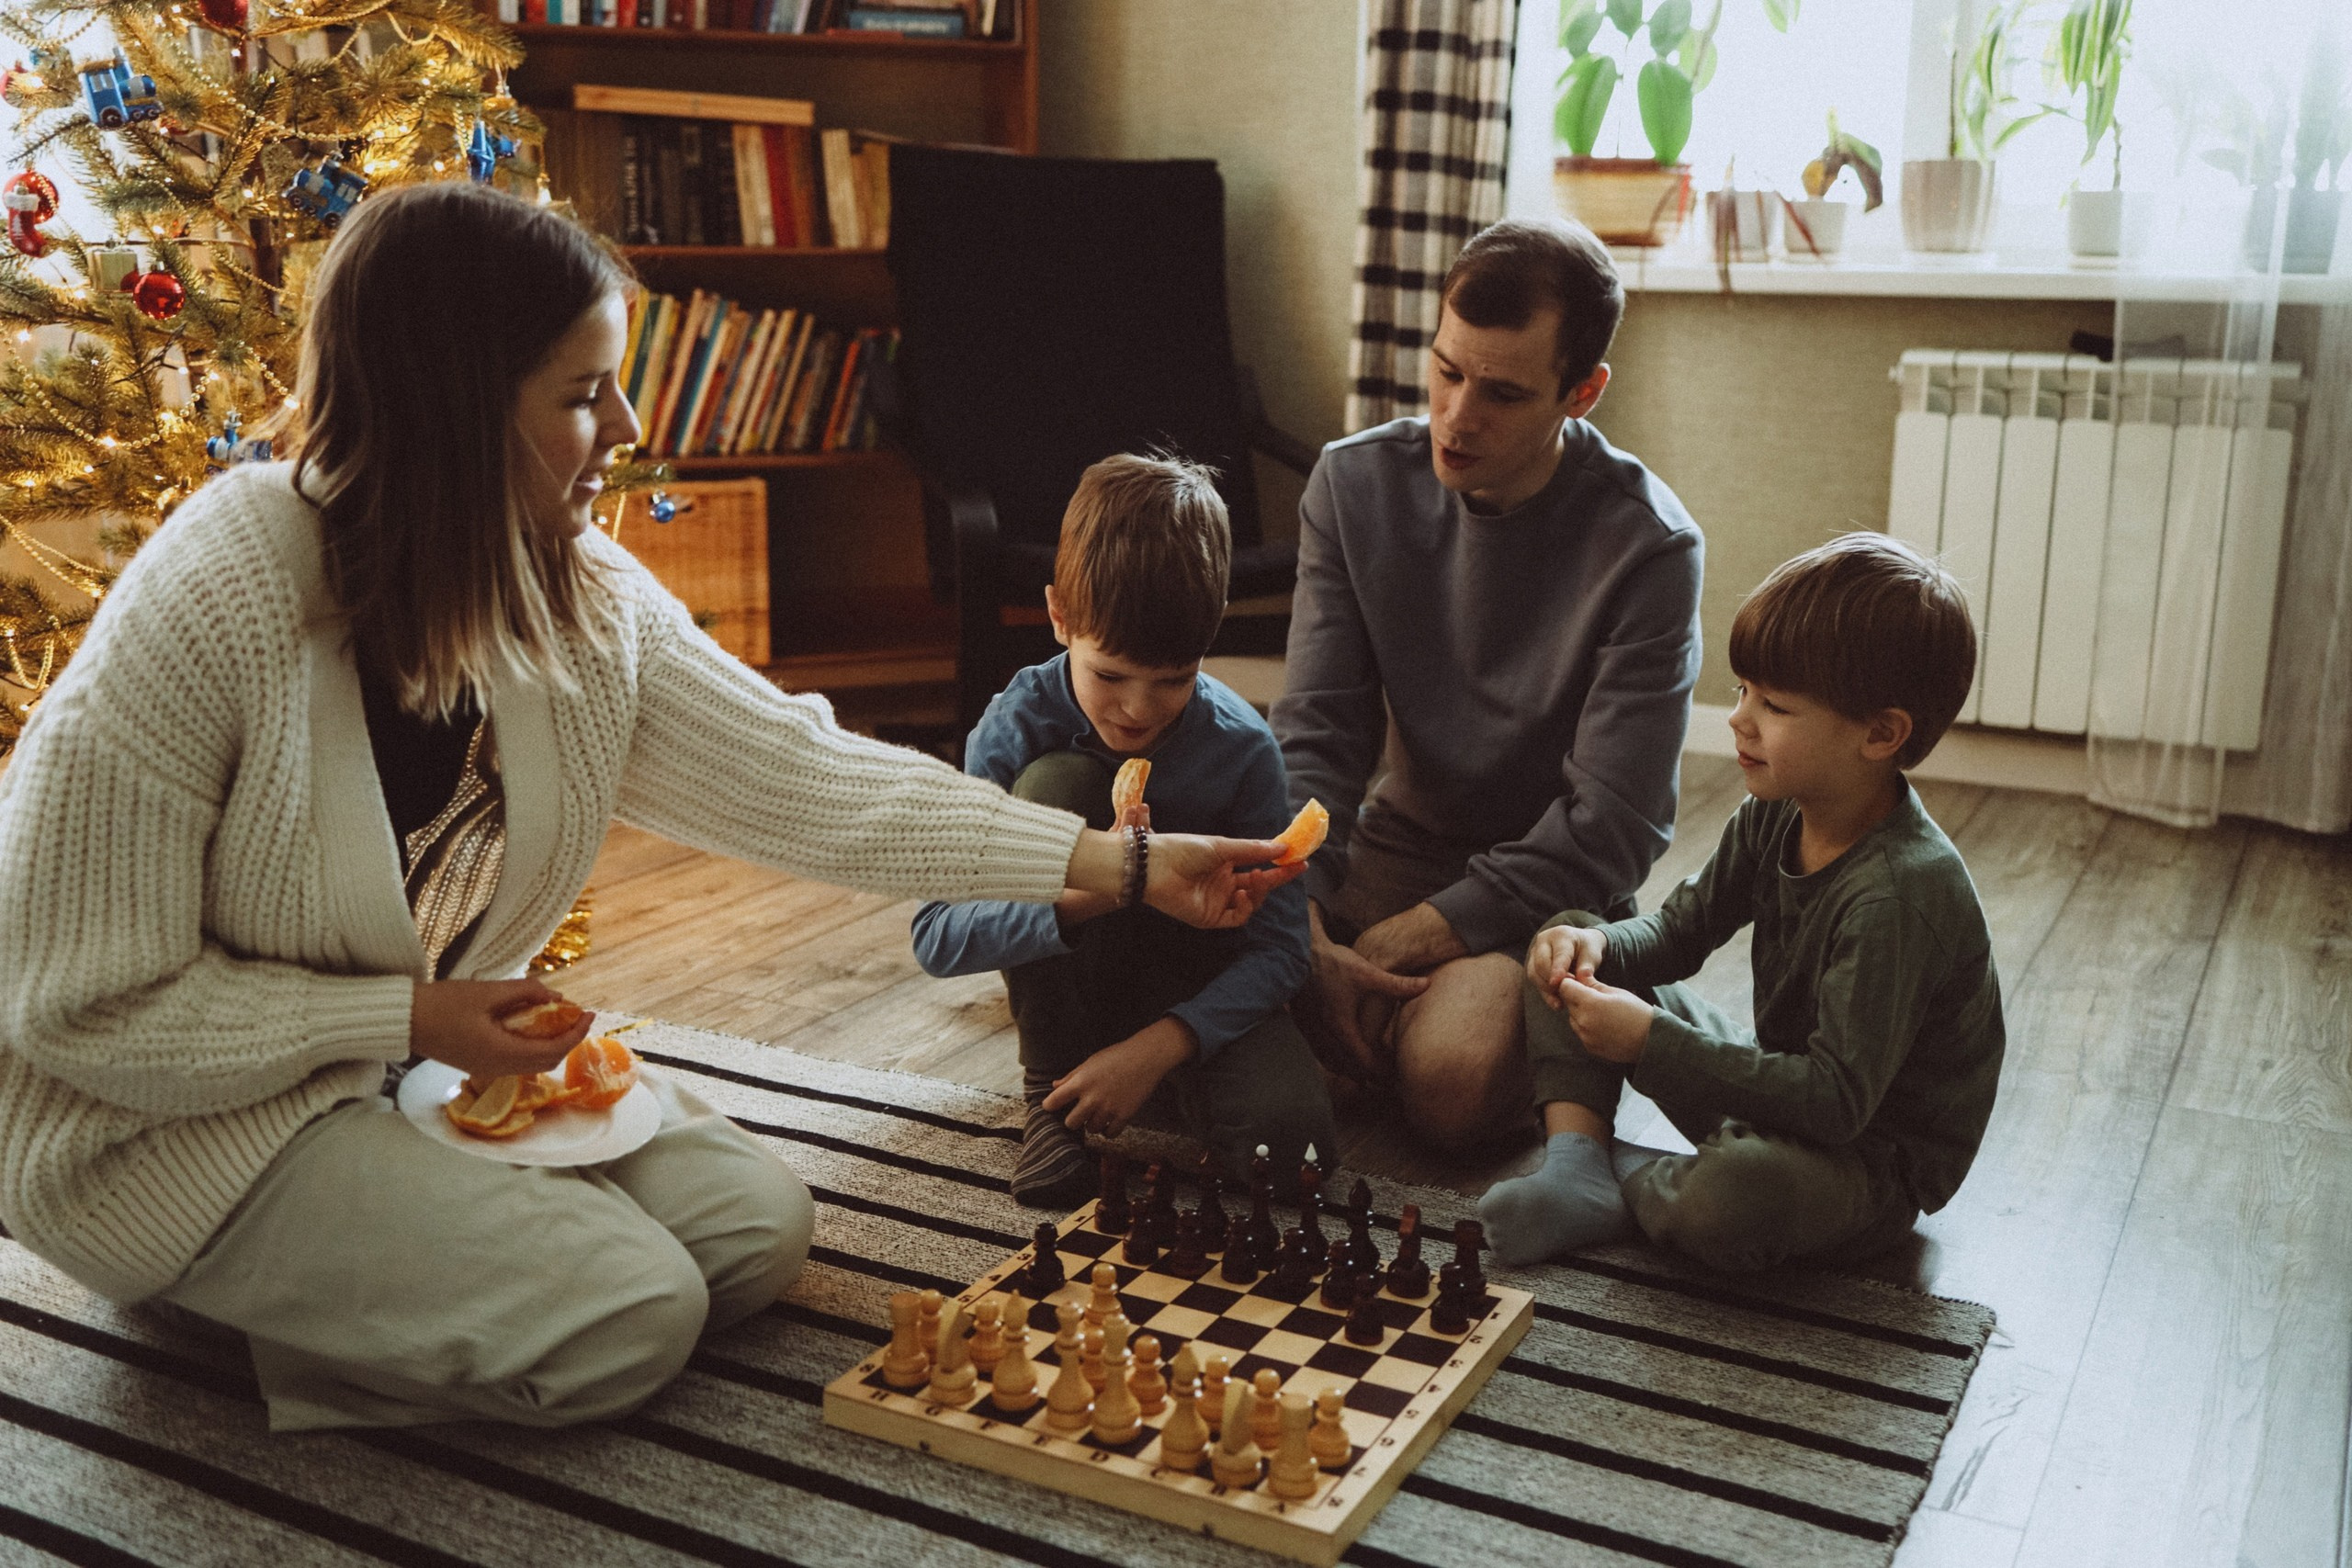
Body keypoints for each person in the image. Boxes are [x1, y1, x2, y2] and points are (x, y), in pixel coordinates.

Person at [0, 184, 1298, 1431]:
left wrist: (1114, 863)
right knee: (633, 1311)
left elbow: (808, 777)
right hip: (173, 1126)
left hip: (416, 1075)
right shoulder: (219, 593)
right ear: (455, 408)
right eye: (583, 392)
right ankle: (233, 1317)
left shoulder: (572, 588)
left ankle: (390, 1271)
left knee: (752, 1229)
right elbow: (76, 1008)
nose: (625, 424)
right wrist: (400, 1012)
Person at [1272, 217, 1703, 1150]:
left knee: (1451, 1084)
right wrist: (1300, 921)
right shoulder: (1350, 489)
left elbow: (1611, 830)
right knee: (1225, 1030)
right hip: (1391, 850)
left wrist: (1384, 951)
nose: (1457, 416)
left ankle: (1495, 1029)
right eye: (1446, 370)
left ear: (1580, 393)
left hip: (1545, 890)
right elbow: (1316, 738)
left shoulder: (1650, 548)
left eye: (1503, 393)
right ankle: (1401, 1034)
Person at [1477, 534, 2005, 1272]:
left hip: (1867, 1164)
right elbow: (1680, 931)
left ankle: (1614, 1176)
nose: (1739, 718)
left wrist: (1648, 1041)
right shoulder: (1776, 811)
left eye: (1776, 704)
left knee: (1734, 1195)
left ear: (1880, 734)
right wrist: (1603, 953)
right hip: (1784, 1086)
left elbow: (1835, 1104)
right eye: (1743, 691)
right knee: (1570, 934)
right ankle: (1575, 1165)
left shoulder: (1898, 895)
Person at [911, 454, 1336, 1208]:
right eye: (1109, 675)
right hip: (1072, 978)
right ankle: (1056, 1085)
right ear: (1058, 616)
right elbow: (938, 936)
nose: (1136, 710)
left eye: (1173, 679)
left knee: (1293, 1156)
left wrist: (1163, 1045)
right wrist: (1115, 880)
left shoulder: (1243, 749)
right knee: (1053, 788)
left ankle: (1160, 1074)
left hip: (1194, 984)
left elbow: (1279, 950)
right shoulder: (1013, 729)